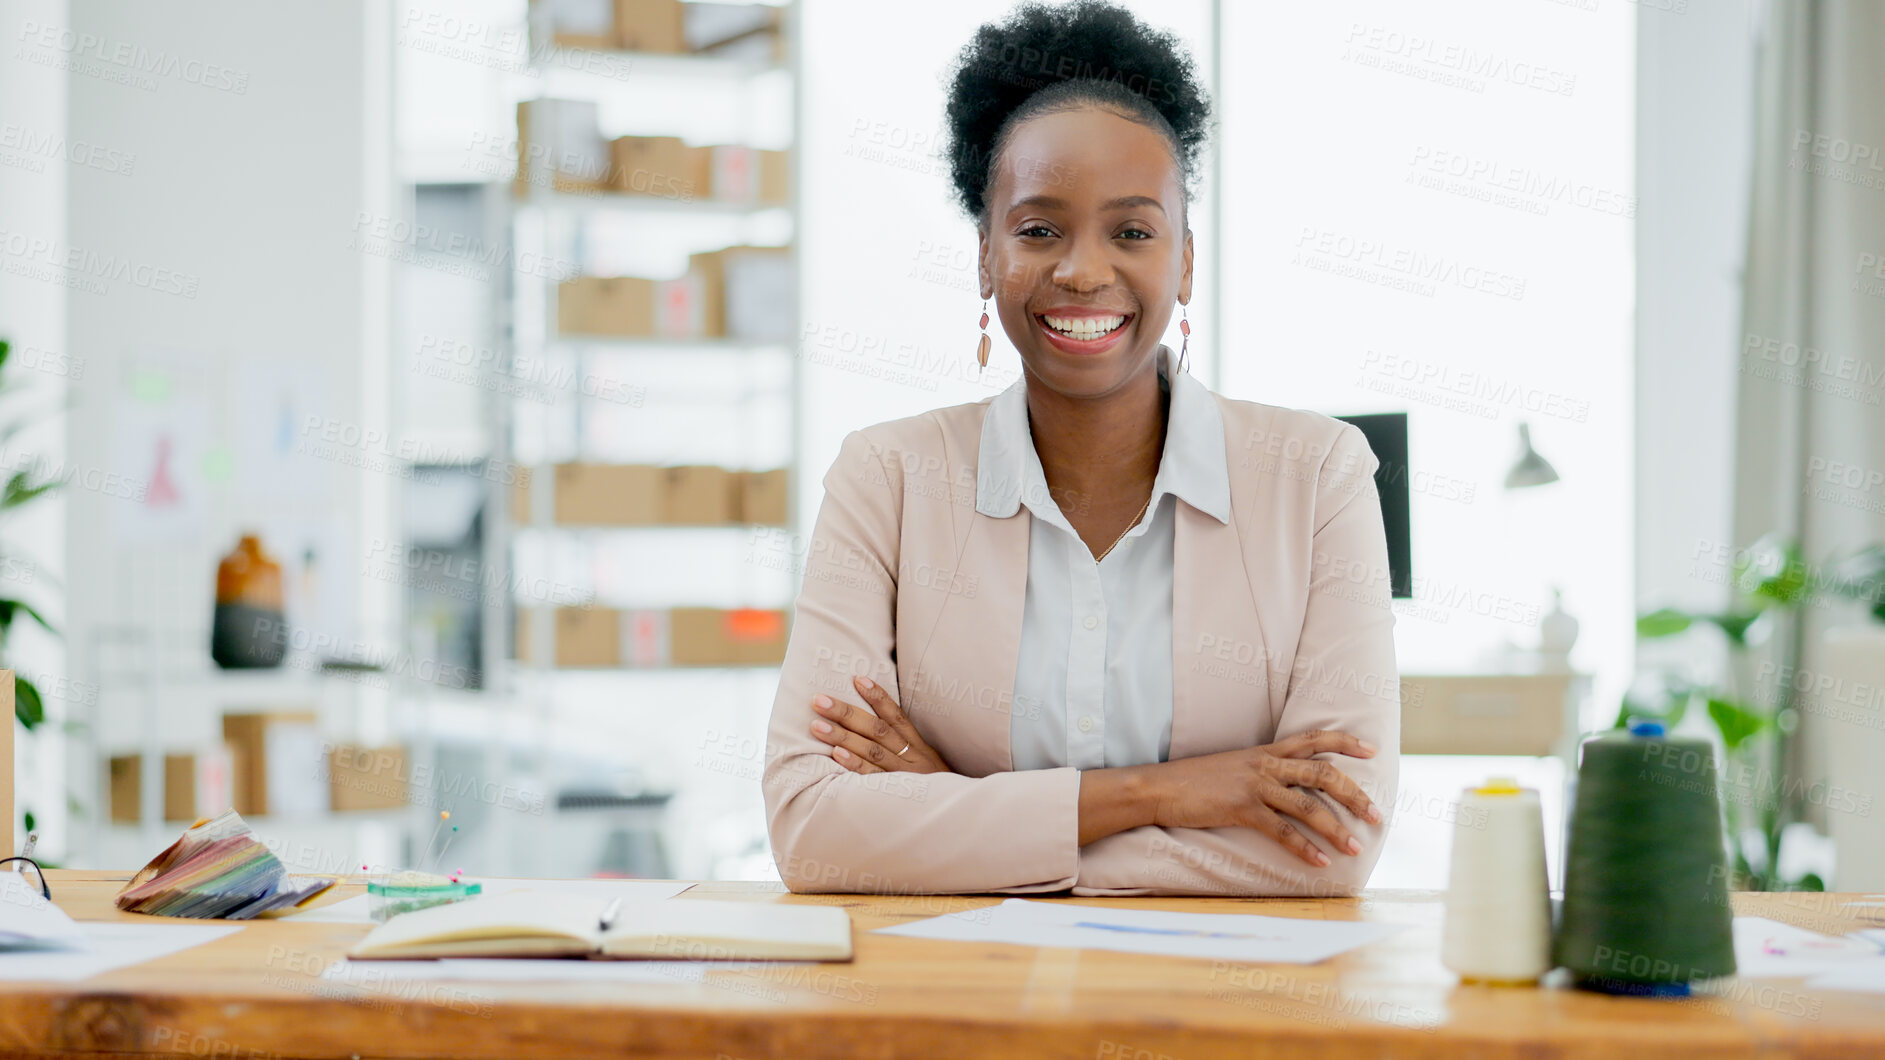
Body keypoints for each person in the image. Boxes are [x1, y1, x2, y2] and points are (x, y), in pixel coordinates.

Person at [762, 0, 1399, 896]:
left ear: (1183, 261)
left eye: (1132, 231)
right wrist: (1166, 793)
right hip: (961, 1004)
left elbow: (1330, 842)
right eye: (1037, 229)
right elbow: (812, 828)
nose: (1083, 271)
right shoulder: (887, 479)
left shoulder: (1319, 476)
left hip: (1226, 1017)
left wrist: (951, 809)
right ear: (986, 255)